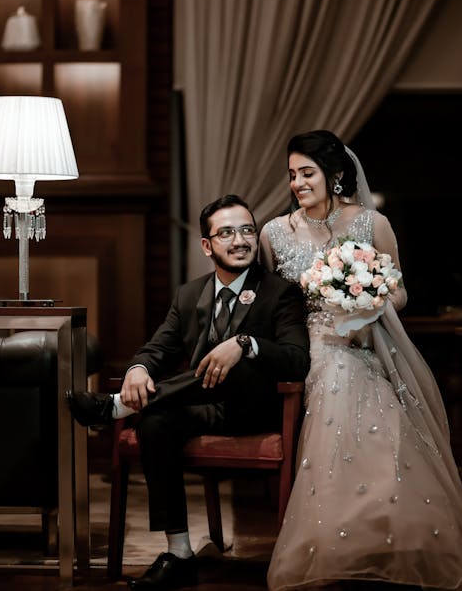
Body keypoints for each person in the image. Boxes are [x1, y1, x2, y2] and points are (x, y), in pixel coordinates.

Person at [260, 130, 462, 591]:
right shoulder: (275, 232)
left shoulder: (370, 225)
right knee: (337, 371)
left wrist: (367, 301)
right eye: (292, 175)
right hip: (307, 346)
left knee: (363, 378)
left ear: (335, 176)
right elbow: (268, 306)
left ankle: (383, 528)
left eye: (307, 173)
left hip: (366, 343)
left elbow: (399, 292)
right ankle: (336, 533)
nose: (297, 183)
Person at [70, 193, 310, 591]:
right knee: (155, 423)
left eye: (247, 230)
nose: (240, 240)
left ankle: (113, 408)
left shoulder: (280, 293)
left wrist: (246, 344)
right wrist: (137, 369)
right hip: (200, 407)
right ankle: (179, 553)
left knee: (234, 360)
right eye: (227, 232)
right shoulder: (188, 294)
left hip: (253, 408)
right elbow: (158, 348)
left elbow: (297, 360)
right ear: (207, 245)